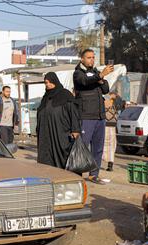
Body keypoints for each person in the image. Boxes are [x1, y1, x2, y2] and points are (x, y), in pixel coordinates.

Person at [74, 49, 114, 185]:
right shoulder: (78, 73)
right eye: (89, 57)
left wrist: (101, 78)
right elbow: (85, 81)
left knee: (98, 147)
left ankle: (94, 175)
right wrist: (100, 76)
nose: (92, 59)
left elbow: (106, 89)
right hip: (86, 115)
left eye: (93, 57)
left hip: (100, 116)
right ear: (82, 59)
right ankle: (77, 174)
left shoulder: (96, 72)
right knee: (83, 146)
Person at [37, 72, 81, 169]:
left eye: (49, 82)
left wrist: (75, 129)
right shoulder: (45, 97)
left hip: (61, 133)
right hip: (46, 135)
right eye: (46, 83)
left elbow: (73, 112)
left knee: (62, 157)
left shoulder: (65, 94)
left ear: (55, 81)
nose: (48, 85)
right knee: (46, 158)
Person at [102, 92, 122, 171]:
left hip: (106, 124)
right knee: (111, 145)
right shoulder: (115, 104)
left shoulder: (106, 102)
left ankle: (104, 162)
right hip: (112, 125)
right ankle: (110, 164)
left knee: (103, 143)